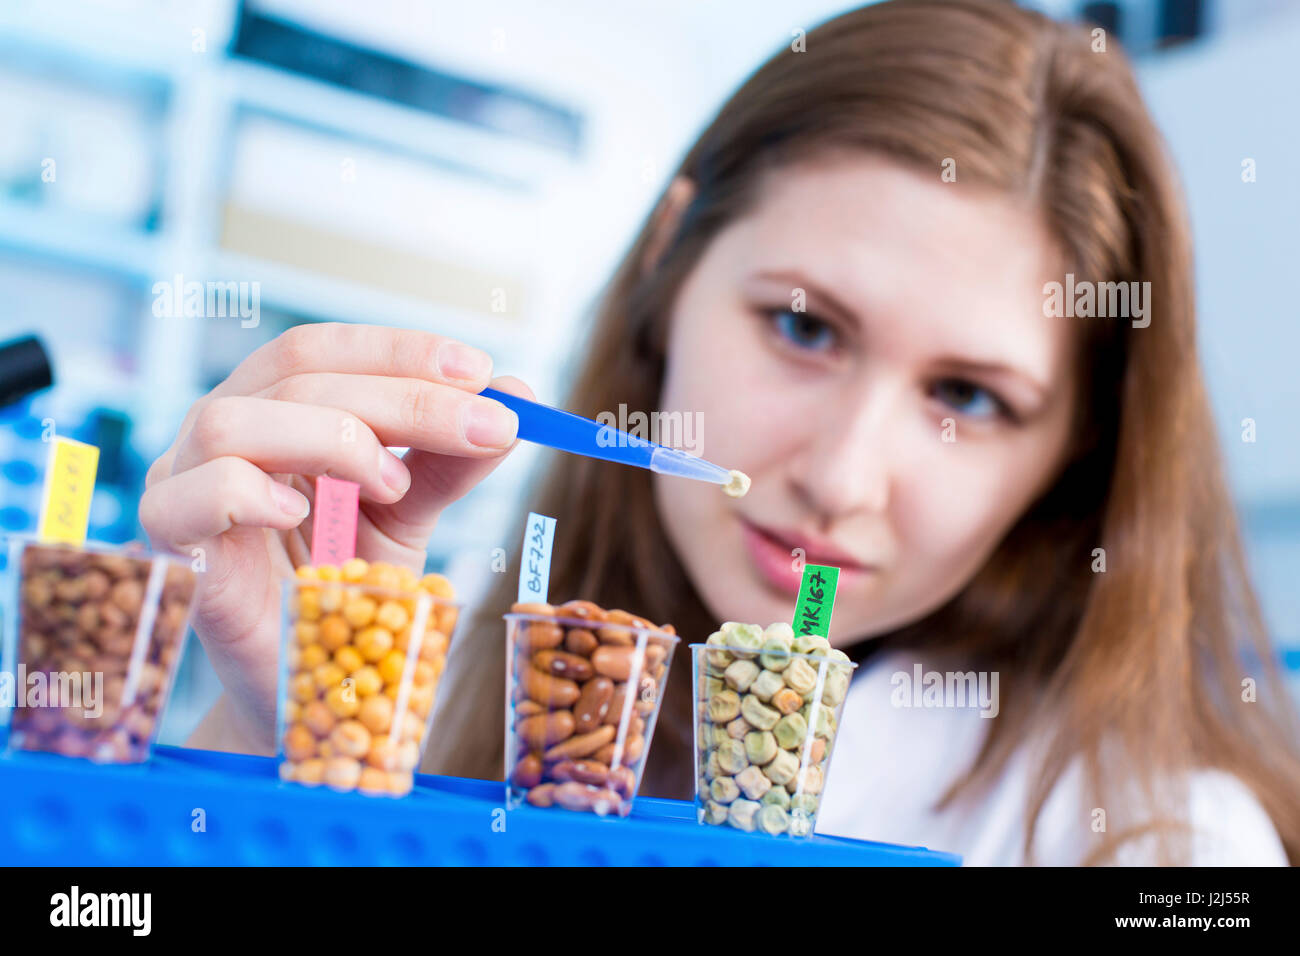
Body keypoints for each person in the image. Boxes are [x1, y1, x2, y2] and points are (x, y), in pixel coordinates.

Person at [141, 0, 1299, 865]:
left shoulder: (1162, 845)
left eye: (970, 398)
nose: (840, 476)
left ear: (1074, 457)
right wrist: (289, 734)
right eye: (802, 325)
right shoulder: (450, 693)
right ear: (669, 259)